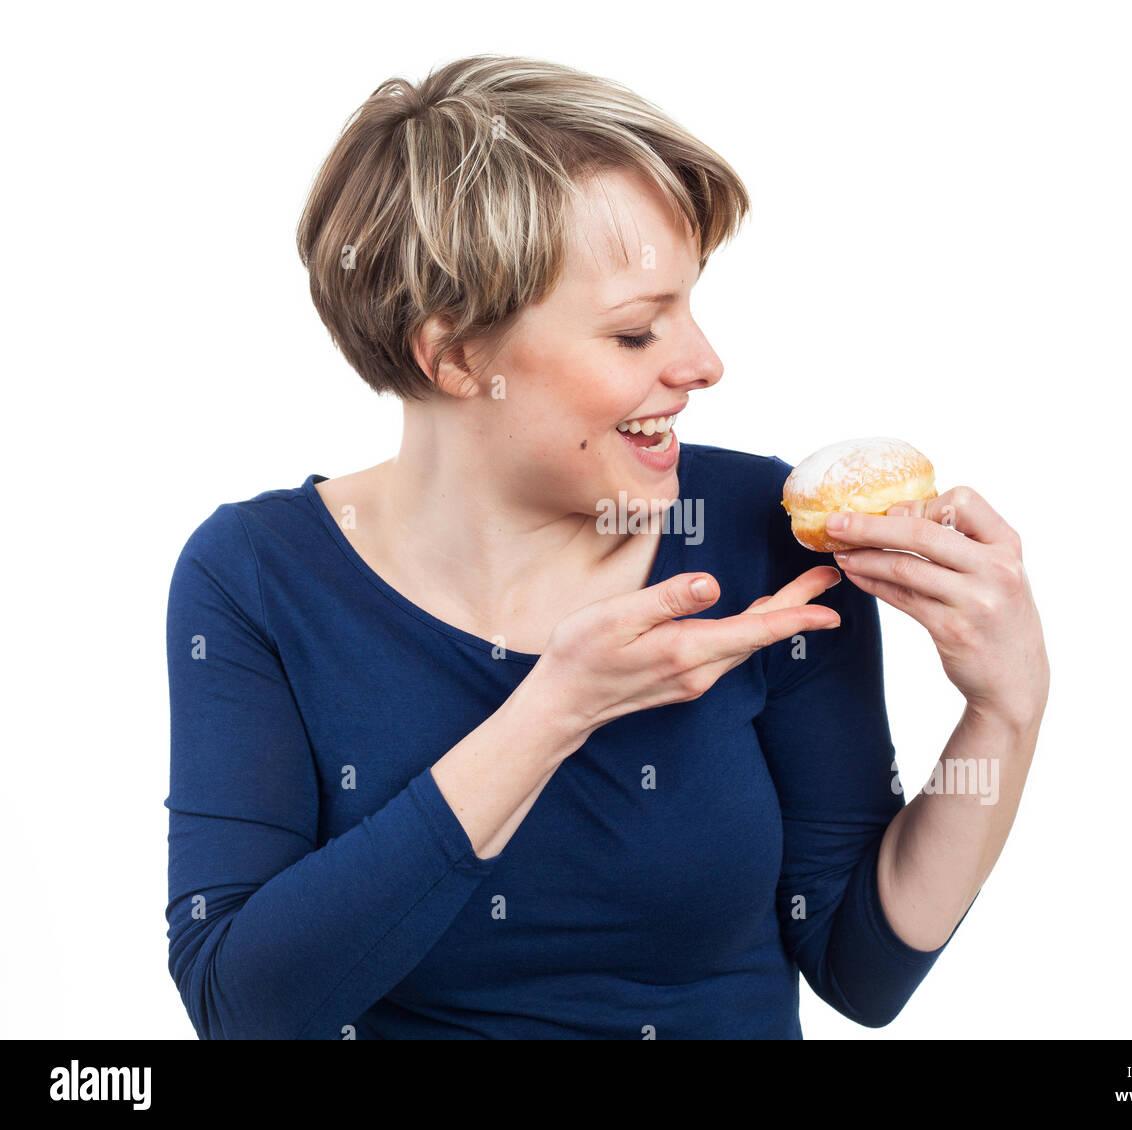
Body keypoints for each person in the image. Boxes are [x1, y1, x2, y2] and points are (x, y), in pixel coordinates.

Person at [164, 54, 1049, 1039]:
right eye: (635, 333)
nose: (703, 363)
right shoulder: (257, 575)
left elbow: (860, 966)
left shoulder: (761, 529)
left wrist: (1003, 709)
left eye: (690, 304)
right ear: (453, 355)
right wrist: (554, 710)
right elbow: (242, 1010)